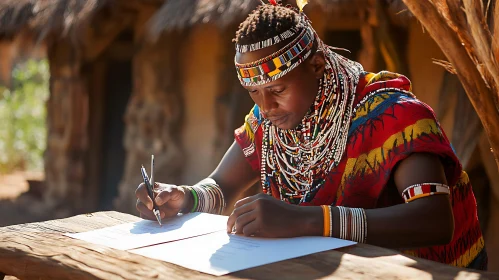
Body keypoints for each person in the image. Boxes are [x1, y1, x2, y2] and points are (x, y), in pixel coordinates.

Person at [135, 2, 487, 270]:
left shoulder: (394, 115)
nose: (266, 105)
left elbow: (434, 220)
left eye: (277, 88)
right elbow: (220, 186)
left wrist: (308, 219)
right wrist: (183, 197)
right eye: (253, 92)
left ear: (317, 65)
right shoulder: (268, 122)